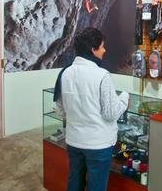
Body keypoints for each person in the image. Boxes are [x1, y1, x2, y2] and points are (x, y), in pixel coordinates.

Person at [55, 27, 129, 191]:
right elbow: (110, 113)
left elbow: (60, 110)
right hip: (98, 145)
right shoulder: (102, 75)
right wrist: (124, 98)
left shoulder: (65, 73)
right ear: (92, 49)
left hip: (74, 141)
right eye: (102, 46)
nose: (104, 50)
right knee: (96, 186)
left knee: (75, 181)